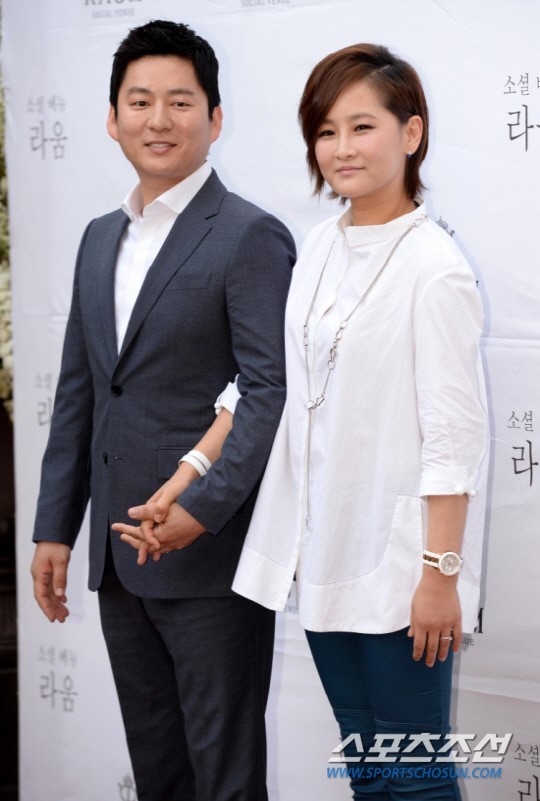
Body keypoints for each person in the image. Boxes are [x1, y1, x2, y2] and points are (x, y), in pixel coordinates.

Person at [30, 19, 294, 801]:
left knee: (225, 776)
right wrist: (54, 527)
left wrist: (200, 510)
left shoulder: (249, 235)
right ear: (112, 119)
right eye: (140, 101)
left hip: (210, 559)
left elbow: (268, 390)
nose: (159, 119)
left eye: (181, 102)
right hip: (119, 556)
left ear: (216, 117)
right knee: (158, 773)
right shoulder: (96, 238)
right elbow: (81, 393)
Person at [230, 44, 488, 799]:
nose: (341, 147)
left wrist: (439, 577)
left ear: (411, 133)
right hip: (326, 552)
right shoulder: (319, 245)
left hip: (402, 568)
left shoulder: (434, 266)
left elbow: (453, 437)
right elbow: (280, 380)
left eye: (361, 126)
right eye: (325, 130)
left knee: (415, 778)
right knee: (369, 772)